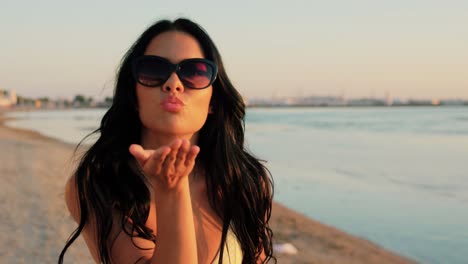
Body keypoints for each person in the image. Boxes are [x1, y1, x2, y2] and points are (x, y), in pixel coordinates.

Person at [58, 18, 275, 264]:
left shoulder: (245, 181)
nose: (173, 84)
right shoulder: (97, 185)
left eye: (195, 72)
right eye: (154, 70)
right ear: (133, 94)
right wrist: (172, 191)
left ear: (213, 100)